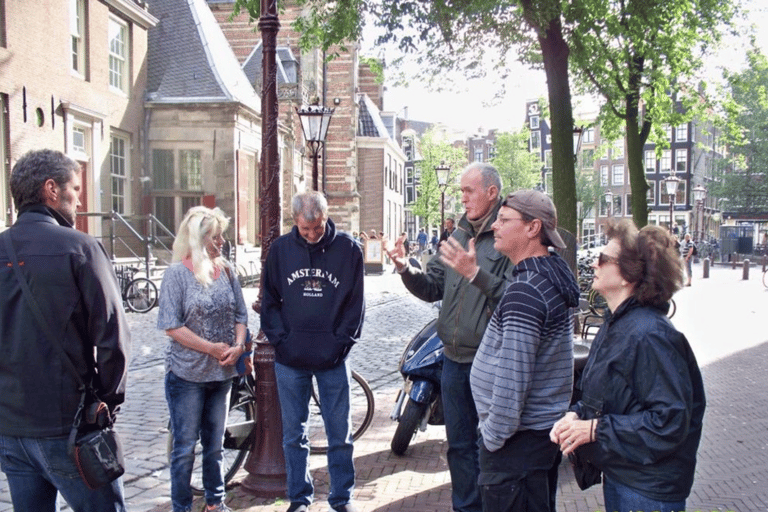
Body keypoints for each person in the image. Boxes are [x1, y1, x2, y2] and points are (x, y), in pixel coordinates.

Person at [0, 149, 130, 511]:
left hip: (11, 425)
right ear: (51, 189)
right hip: (68, 424)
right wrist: (106, 403)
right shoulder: (80, 247)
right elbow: (113, 338)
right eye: (75, 187)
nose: (81, 197)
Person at [550, 219, 705, 512]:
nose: (594, 264)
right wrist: (576, 415)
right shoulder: (617, 325)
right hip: (625, 475)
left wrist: (596, 430)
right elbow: (608, 394)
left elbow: (670, 421)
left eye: (603, 258)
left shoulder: (651, 335)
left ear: (627, 275)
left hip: (649, 489)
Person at [385, 162, 511, 512]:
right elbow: (433, 287)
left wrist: (476, 273)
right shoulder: (458, 235)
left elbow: (517, 297)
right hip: (453, 361)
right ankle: (465, 507)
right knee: (458, 445)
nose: (463, 197)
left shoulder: (508, 232)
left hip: (491, 362)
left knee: (492, 445)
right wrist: (404, 268)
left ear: (491, 192)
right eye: (460, 190)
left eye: (469, 190)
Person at [468, 189, 580, 512]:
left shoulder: (526, 292)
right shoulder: (550, 276)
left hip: (514, 447)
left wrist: (492, 438)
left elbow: (512, 383)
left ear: (533, 229)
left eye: (504, 220)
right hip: (536, 443)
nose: (494, 227)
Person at [261, 191, 365, 512]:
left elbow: (356, 306)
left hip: (333, 361)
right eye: (305, 230)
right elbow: (269, 302)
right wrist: (282, 341)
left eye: (317, 228)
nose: (312, 235)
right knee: (294, 434)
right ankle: (299, 498)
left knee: (340, 434)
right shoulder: (279, 251)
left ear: (325, 216)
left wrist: (339, 346)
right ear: (295, 221)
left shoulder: (348, 250)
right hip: (290, 361)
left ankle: (341, 497)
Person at [157, 206, 249, 512]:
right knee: (184, 449)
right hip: (187, 376)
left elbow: (240, 314)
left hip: (221, 376)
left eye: (221, 234)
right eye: (215, 236)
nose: (222, 241)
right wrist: (210, 348)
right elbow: (172, 326)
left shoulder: (227, 270)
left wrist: (237, 346)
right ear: (198, 238)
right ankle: (181, 507)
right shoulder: (176, 275)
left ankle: (215, 503)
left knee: (215, 447)